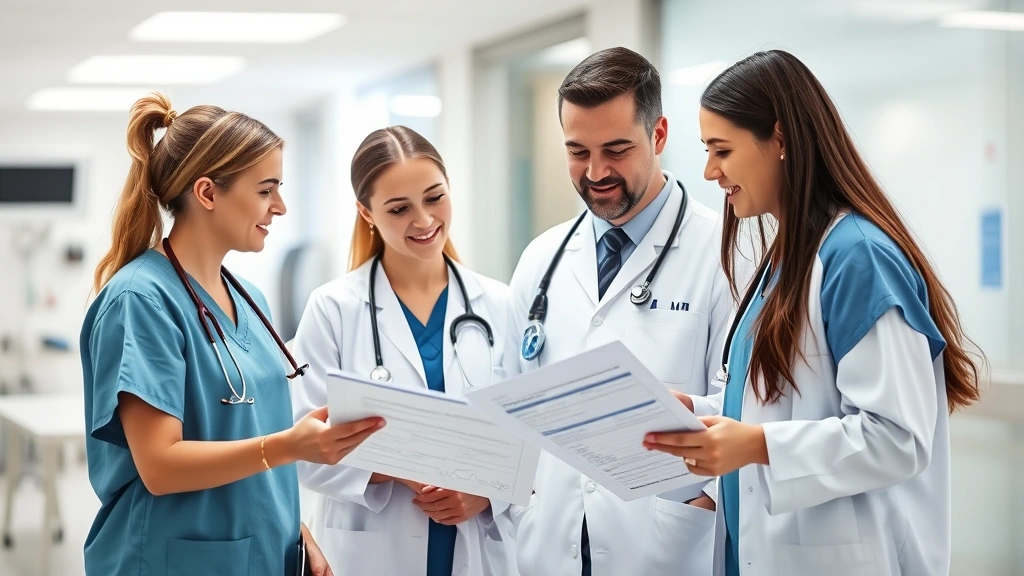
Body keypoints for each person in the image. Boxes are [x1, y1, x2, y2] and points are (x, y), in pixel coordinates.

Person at [644, 50, 983, 576]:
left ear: (779, 140)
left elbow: (897, 437)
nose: (710, 171)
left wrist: (756, 445)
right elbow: (783, 402)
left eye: (722, 151)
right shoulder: (787, 255)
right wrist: (695, 407)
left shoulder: (856, 256)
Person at [80, 93, 384, 576]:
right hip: (171, 559)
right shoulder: (140, 300)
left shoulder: (250, 301)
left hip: (262, 553)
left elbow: (250, 441)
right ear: (207, 193)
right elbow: (159, 465)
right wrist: (292, 446)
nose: (280, 207)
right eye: (266, 190)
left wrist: (297, 532)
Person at [505, 46, 735, 576]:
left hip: (666, 540)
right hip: (551, 538)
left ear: (658, 136)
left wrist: (710, 498)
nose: (596, 171)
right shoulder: (541, 258)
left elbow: (750, 407)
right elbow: (510, 396)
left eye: (616, 148)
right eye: (577, 151)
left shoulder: (725, 252)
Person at [290, 125, 520, 576]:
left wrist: (486, 492)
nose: (423, 220)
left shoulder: (500, 303)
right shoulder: (333, 308)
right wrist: (400, 468)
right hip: (370, 552)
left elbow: (528, 434)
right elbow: (303, 451)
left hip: (478, 547)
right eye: (399, 208)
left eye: (435, 197)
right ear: (366, 212)